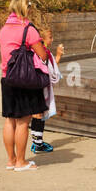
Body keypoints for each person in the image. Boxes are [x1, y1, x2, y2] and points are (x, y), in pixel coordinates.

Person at [0, 0, 50, 171]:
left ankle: (11, 160)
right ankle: (21, 162)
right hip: (24, 80)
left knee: (9, 120)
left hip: (7, 78)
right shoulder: (29, 30)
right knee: (22, 122)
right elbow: (42, 55)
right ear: (26, 9)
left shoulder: (4, 29)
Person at [29, 21, 65, 155]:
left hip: (33, 85)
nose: (52, 39)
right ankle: (37, 144)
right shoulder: (43, 52)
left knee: (37, 114)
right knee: (39, 114)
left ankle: (37, 141)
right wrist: (58, 56)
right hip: (40, 86)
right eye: (50, 37)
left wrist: (58, 55)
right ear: (42, 39)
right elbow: (52, 72)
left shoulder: (33, 51)